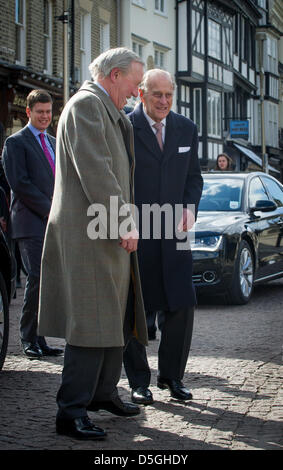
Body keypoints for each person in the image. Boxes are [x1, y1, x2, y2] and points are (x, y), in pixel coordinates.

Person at [37, 47, 148, 441]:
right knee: (90, 322)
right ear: (114, 76)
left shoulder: (101, 106)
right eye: (134, 85)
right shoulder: (87, 105)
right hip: (90, 234)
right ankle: (70, 412)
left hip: (102, 231)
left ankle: (102, 394)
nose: (136, 94)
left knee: (112, 317)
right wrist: (124, 222)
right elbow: (98, 172)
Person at [123, 69, 203, 406]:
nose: (164, 101)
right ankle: (139, 382)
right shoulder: (125, 126)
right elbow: (117, 177)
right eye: (157, 94)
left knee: (182, 304)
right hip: (137, 230)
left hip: (177, 230)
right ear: (141, 94)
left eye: (169, 94)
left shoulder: (186, 128)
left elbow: (194, 179)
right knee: (134, 307)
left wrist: (190, 208)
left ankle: (172, 378)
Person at [1, 89, 63, 359]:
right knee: (36, 278)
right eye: (39, 112)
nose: (45, 117)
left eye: (48, 112)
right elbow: (20, 184)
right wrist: (51, 208)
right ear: (28, 112)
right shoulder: (15, 143)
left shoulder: (53, 140)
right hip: (30, 221)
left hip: (54, 222)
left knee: (48, 281)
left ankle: (41, 338)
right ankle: (27, 338)